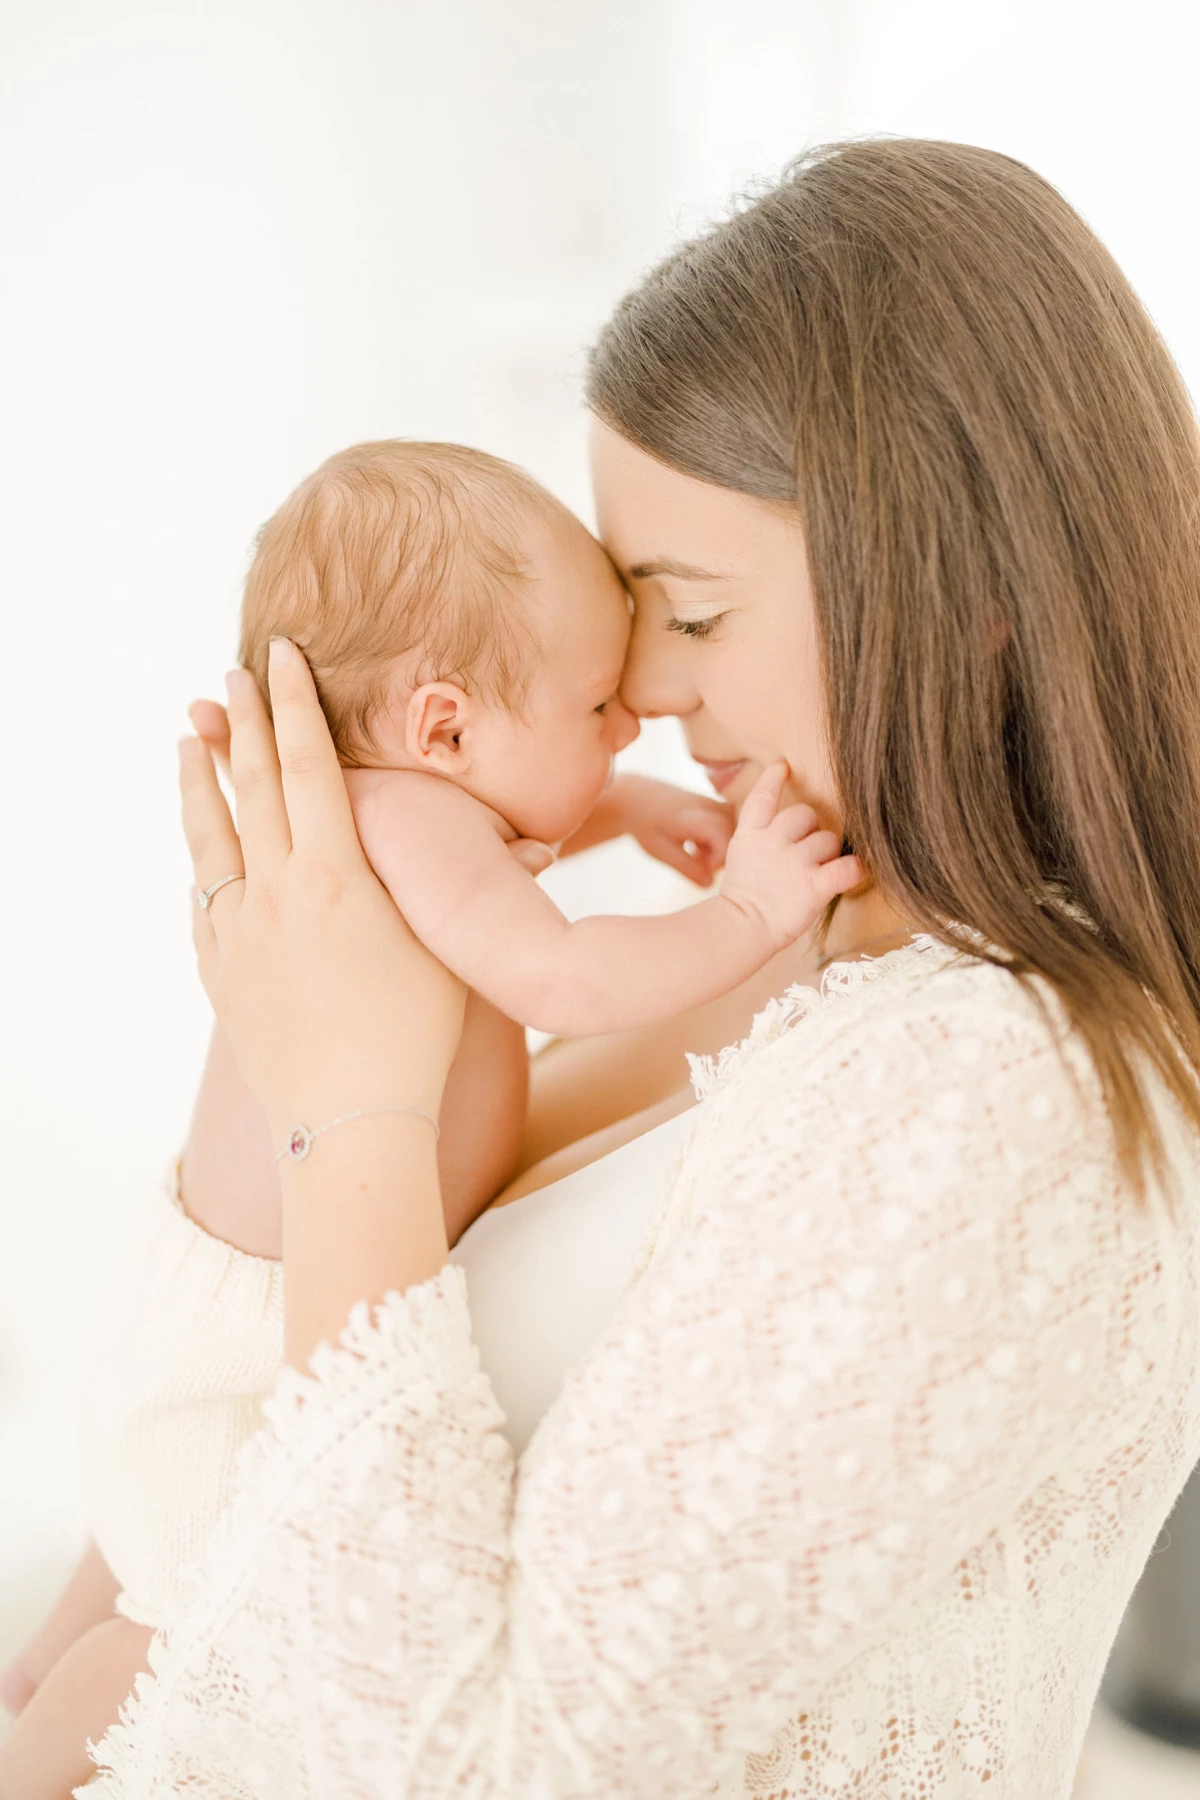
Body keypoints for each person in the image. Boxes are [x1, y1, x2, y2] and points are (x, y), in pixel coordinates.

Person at [13, 133, 1200, 1796]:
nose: (639, 680)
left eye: (691, 614)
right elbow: (249, 1453)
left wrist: (344, 1108)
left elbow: (477, 1767)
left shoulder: (1005, 1092)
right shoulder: (802, 953)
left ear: (967, 594)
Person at [0, 441, 859, 1798]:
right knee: (163, 1654)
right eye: (595, 710)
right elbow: (560, 972)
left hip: (202, 1320)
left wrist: (618, 802)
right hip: (246, 1351)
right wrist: (748, 913)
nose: (629, 719)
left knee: (119, 1575)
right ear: (446, 725)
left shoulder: (393, 817)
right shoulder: (417, 835)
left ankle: (34, 1670)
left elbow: (505, 855)